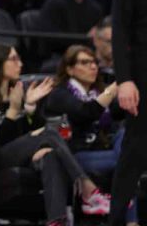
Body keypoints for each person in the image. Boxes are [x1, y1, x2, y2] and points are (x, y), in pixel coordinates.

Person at [0, 44, 110, 225]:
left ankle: (56, 221)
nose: (20, 64)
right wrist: (13, 111)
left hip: (23, 156)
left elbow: (31, 134)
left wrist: (30, 109)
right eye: (14, 59)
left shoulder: (20, 93)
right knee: (49, 133)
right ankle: (87, 188)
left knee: (50, 156)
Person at [44, 45, 136, 225]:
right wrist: (116, 86)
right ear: (69, 69)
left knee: (127, 133)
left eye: (94, 62)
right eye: (85, 63)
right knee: (128, 163)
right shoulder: (60, 94)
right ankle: (132, 222)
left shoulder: (98, 92)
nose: (93, 67)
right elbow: (86, 112)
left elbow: (121, 110)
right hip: (75, 155)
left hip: (105, 151)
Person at [109, 0, 147, 224]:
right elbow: (120, 27)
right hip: (141, 76)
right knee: (133, 155)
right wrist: (124, 79)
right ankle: (117, 220)